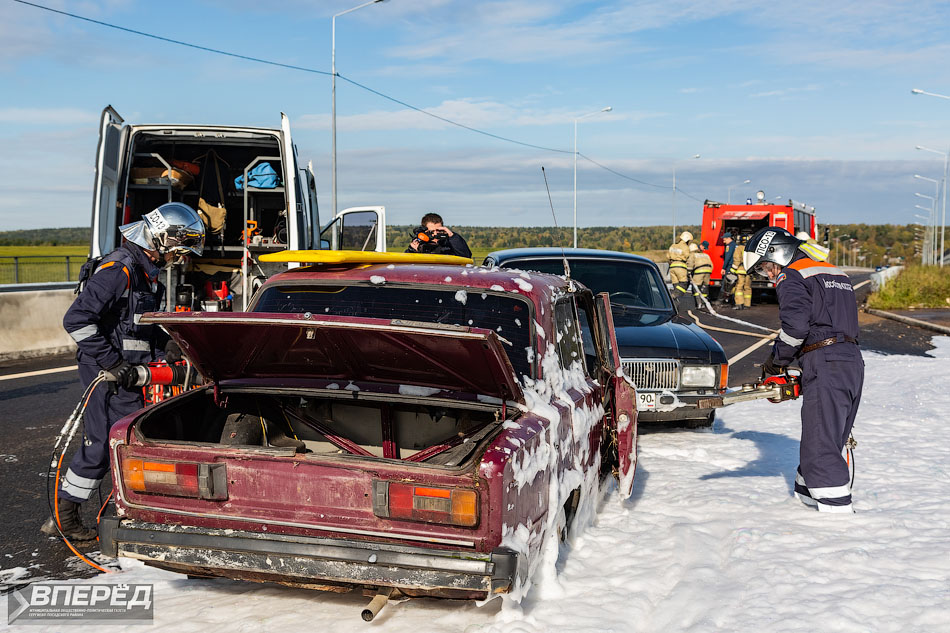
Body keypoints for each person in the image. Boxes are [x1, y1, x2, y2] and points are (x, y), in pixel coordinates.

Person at [42, 203, 205, 541]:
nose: (178, 258)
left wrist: (170, 345)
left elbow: (134, 329)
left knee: (127, 439)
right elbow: (77, 320)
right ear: (162, 239)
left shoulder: (145, 272)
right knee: (106, 443)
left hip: (124, 371)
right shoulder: (120, 270)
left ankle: (125, 509)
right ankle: (64, 516)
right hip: (106, 372)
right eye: (178, 250)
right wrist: (112, 364)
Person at [743, 226, 863, 514]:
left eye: (765, 268)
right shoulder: (835, 273)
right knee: (829, 437)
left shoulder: (791, 275)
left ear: (777, 253)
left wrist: (777, 361)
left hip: (826, 363)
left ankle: (837, 515)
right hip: (852, 361)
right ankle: (805, 498)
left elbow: (796, 329)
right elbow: (829, 322)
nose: (769, 275)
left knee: (821, 441)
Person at [406, 213, 472, 258]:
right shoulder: (417, 245)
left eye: (438, 231)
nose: (435, 234)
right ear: (424, 231)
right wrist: (413, 251)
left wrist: (452, 236)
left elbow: (466, 256)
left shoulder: (450, 243)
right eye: (431, 231)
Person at [667, 231, 692, 310]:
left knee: (676, 285)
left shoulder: (673, 246)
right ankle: (672, 296)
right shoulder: (685, 247)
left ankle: (674, 305)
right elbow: (688, 258)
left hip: (672, 267)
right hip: (680, 267)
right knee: (684, 284)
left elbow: (668, 256)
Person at [688, 241, 713, 310]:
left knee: (696, 287)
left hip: (699, 272)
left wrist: (689, 272)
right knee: (705, 287)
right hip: (708, 271)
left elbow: (690, 264)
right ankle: (704, 303)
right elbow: (712, 265)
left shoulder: (693, 255)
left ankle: (699, 303)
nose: (704, 249)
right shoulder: (705, 255)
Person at [715, 232, 736, 307]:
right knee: (732, 284)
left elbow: (728, 257)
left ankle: (720, 301)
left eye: (724, 239)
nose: (723, 240)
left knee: (725, 284)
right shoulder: (734, 245)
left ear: (728, 238)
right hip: (733, 267)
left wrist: (723, 268)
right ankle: (733, 302)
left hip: (729, 267)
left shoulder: (729, 246)